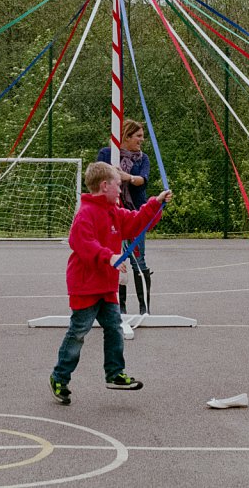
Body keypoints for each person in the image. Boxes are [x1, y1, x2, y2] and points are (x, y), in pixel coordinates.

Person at [48, 162, 171, 405]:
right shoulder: (86, 213)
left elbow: (136, 222)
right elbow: (81, 242)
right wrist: (109, 256)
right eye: (118, 184)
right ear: (105, 186)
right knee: (79, 331)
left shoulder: (114, 210)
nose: (120, 188)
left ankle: (114, 373)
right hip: (85, 285)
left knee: (114, 327)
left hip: (106, 285)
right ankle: (59, 377)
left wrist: (155, 203)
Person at [98, 119, 153, 314]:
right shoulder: (107, 154)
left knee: (139, 259)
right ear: (127, 136)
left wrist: (127, 177)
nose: (142, 140)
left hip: (135, 214)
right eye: (138, 136)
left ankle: (144, 308)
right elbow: (98, 178)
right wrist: (111, 176)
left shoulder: (142, 158)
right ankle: (119, 308)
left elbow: (143, 180)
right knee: (116, 258)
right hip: (111, 214)